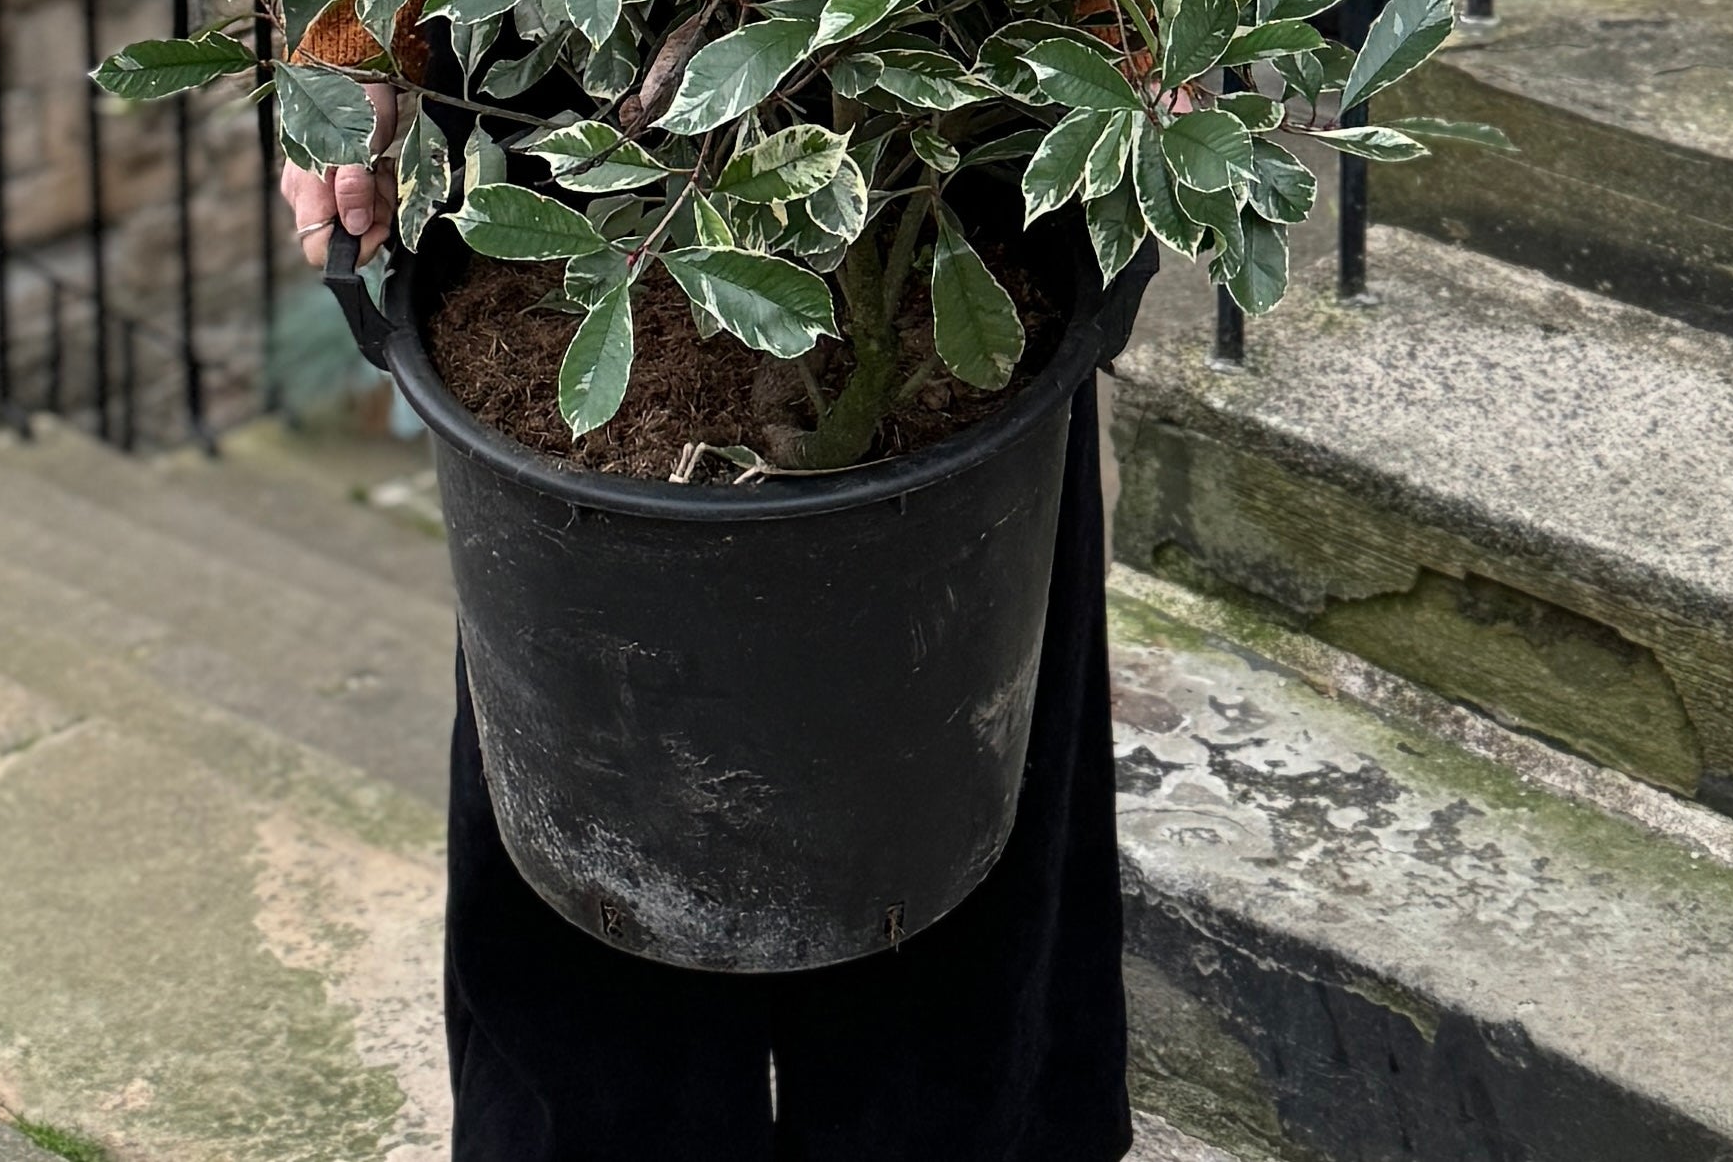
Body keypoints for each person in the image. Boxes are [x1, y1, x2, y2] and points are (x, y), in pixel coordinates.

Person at [280, 118, 1135, 1162]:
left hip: (947, 125)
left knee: (952, 830)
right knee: (594, 902)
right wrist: (358, 45)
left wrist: (1129, 38)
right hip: (586, 126)